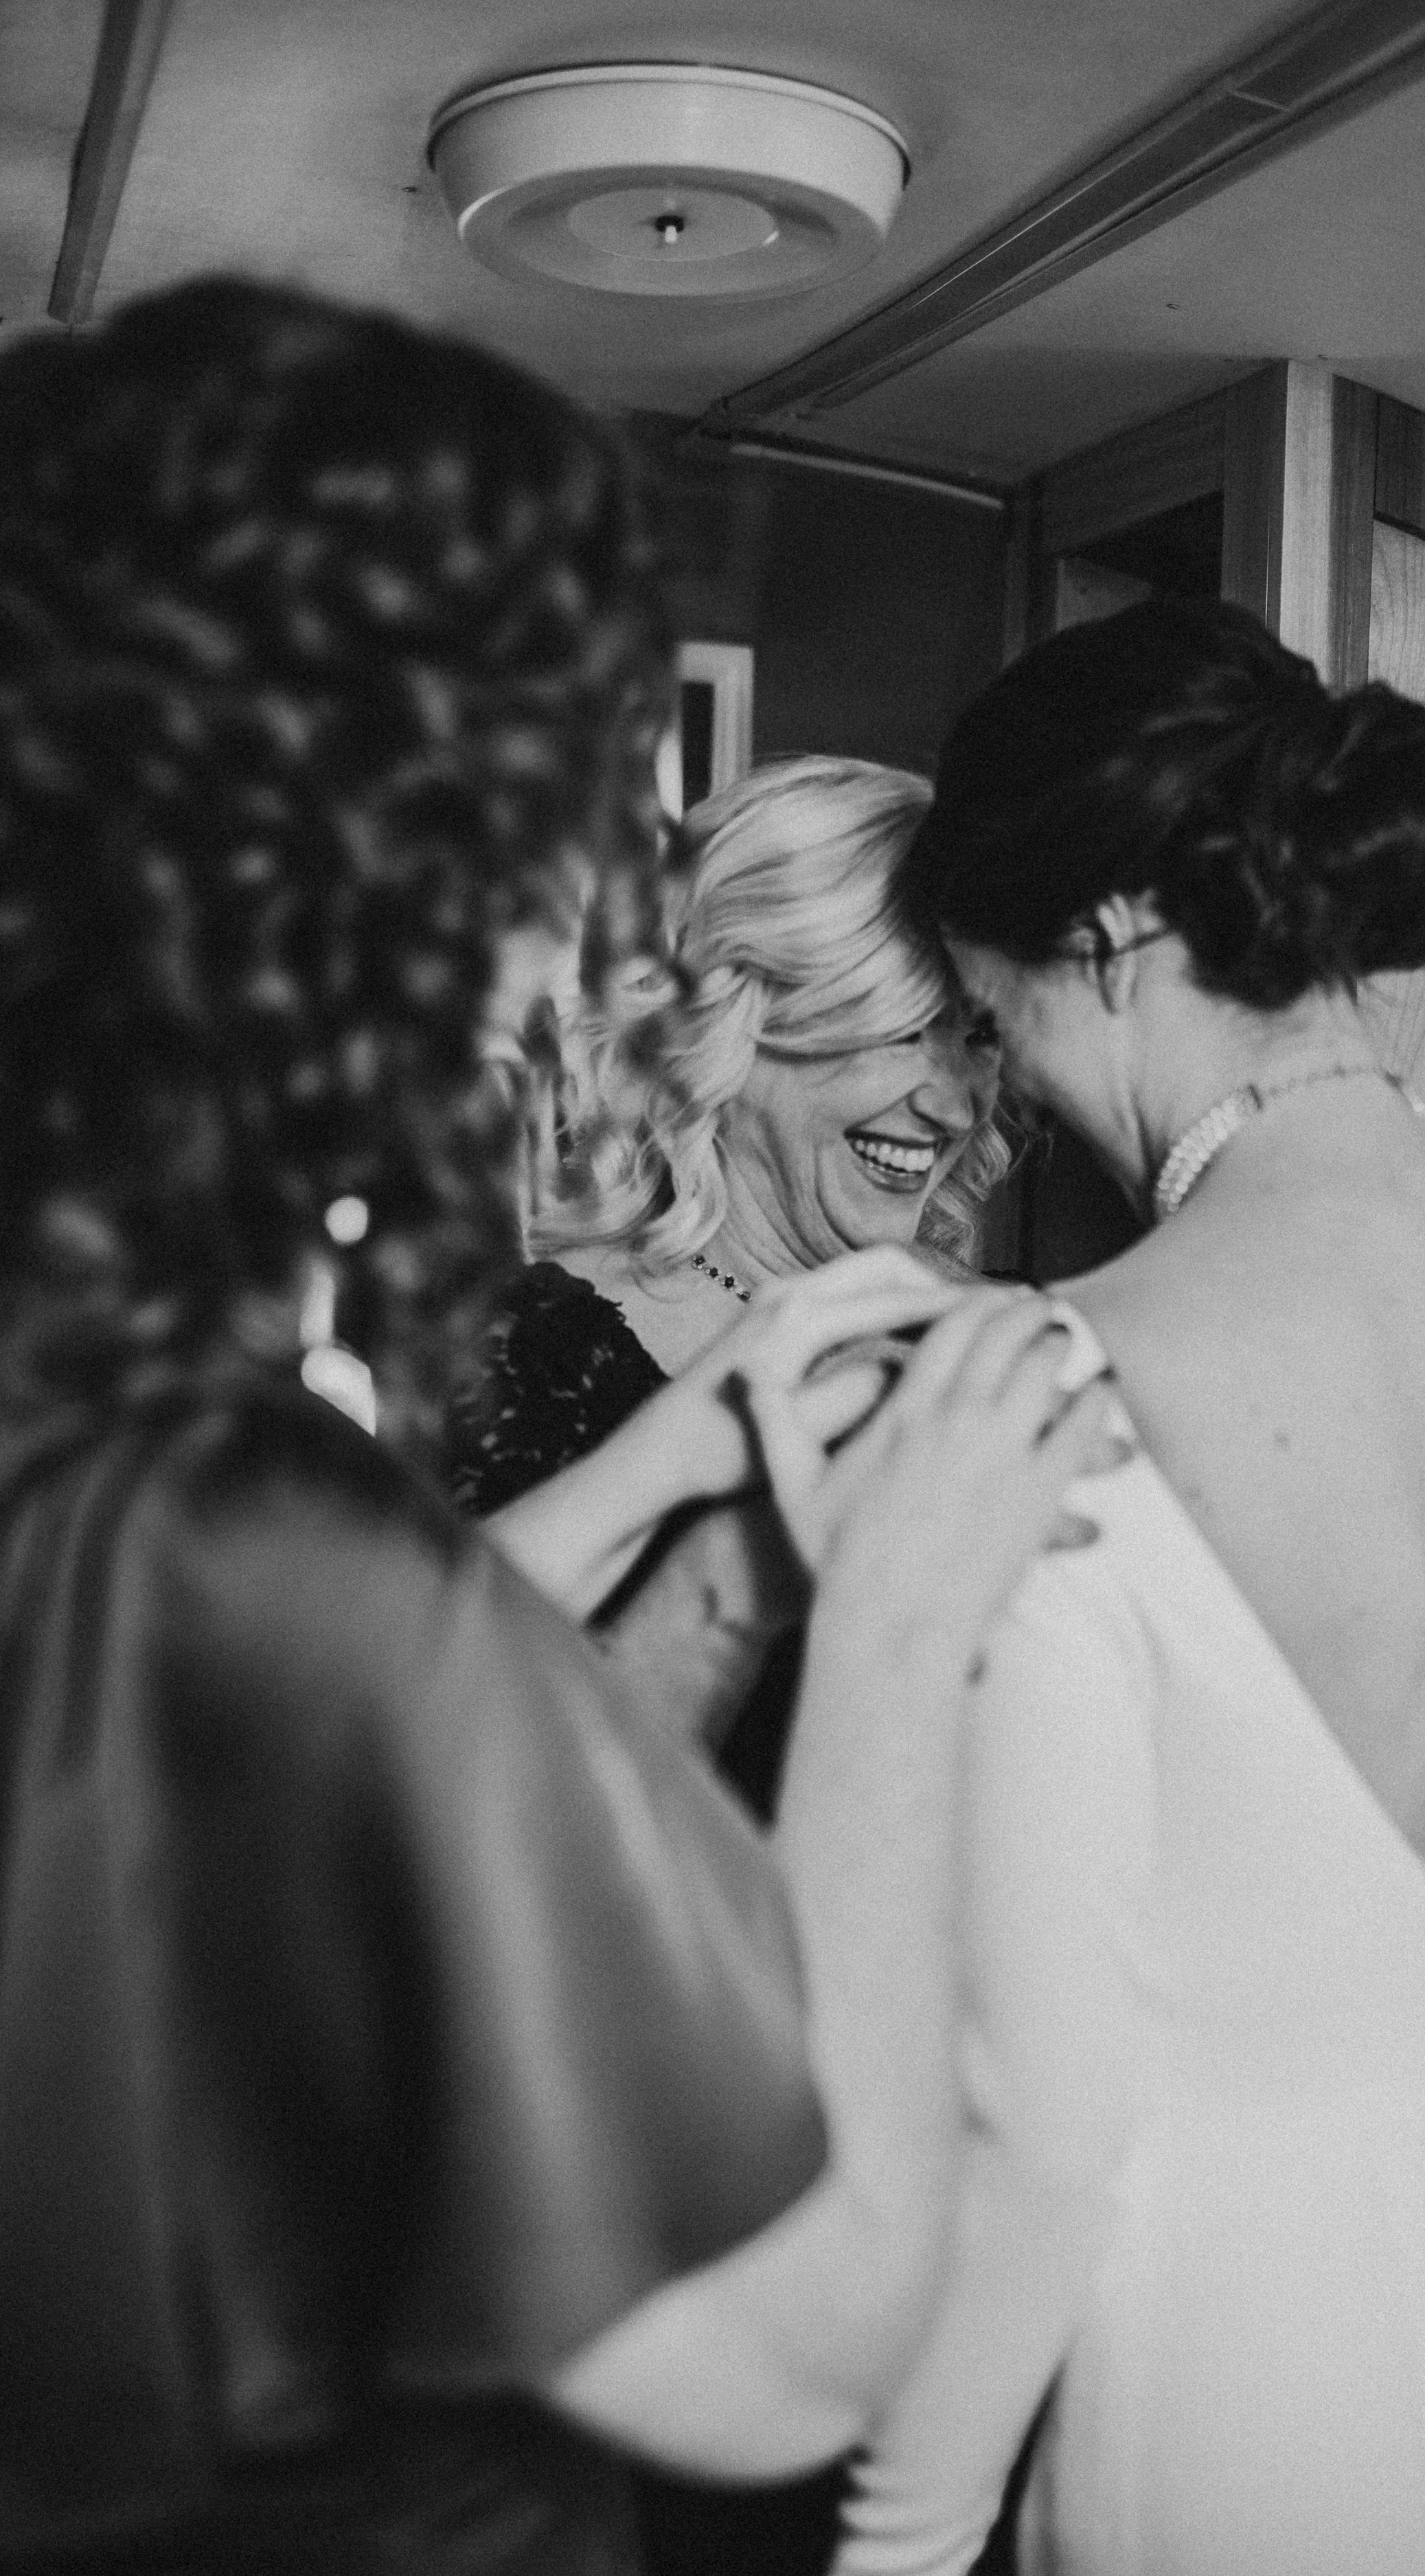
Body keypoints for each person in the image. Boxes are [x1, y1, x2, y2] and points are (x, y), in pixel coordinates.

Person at [0, 276, 1122, 2576]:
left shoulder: (106, 1416)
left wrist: (691, 1469)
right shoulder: (235, 1528)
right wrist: (891, 1614)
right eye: (537, 830)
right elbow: (792, 2347)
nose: (572, 946)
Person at [833, 596, 1425, 2576]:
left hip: (1278, 2408)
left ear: (1107, 941)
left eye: (998, 1016)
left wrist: (901, 2538)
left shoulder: (1051, 1384)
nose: (1012, 1088)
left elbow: (1038, 2135)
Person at [447, 754, 1010, 1812]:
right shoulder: (515, 1356)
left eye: (975, 1034)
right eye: (897, 1031)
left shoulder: (998, 1336)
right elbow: (439, 1794)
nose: (951, 1104)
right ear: (724, 1026)